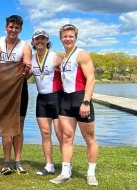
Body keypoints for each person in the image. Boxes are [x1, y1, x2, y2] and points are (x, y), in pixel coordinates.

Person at [50, 24, 98, 186]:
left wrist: (86, 101)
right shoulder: (63, 58)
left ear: (75, 37)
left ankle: (91, 173)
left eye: (71, 36)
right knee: (66, 137)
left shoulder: (81, 55)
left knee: (89, 138)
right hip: (65, 101)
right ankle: (65, 172)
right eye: (65, 36)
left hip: (80, 100)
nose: (68, 39)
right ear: (61, 38)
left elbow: (91, 79)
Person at [0, 15, 32, 175]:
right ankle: (6, 162)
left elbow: (27, 75)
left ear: (20, 30)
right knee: (5, 127)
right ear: (6, 27)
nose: (13, 30)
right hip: (2, 90)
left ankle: (18, 161)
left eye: (17, 28)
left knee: (19, 126)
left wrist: (27, 70)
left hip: (19, 88)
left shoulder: (25, 46)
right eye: (11, 26)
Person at [30, 29, 63, 175]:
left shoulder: (56, 57)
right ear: (33, 42)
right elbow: (24, 77)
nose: (40, 41)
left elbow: (71, 74)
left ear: (47, 41)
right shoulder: (31, 58)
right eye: (37, 39)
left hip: (57, 98)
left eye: (43, 39)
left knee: (60, 133)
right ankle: (49, 165)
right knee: (45, 133)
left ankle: (66, 165)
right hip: (41, 99)